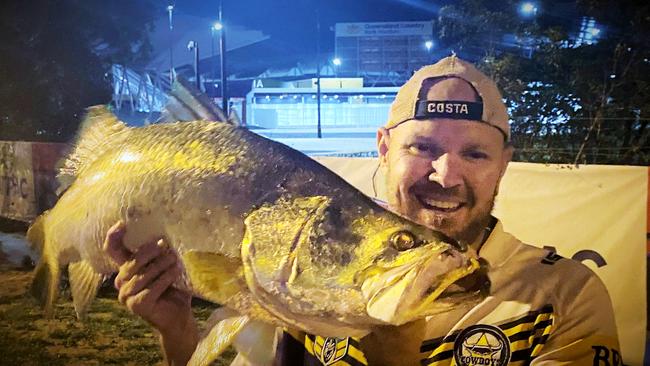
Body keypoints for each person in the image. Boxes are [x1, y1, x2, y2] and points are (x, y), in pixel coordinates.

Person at [103, 55, 622, 366]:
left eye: (475, 153)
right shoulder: (301, 272)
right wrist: (177, 334)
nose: (445, 174)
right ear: (383, 149)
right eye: (421, 148)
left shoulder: (564, 295)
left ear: (505, 165)